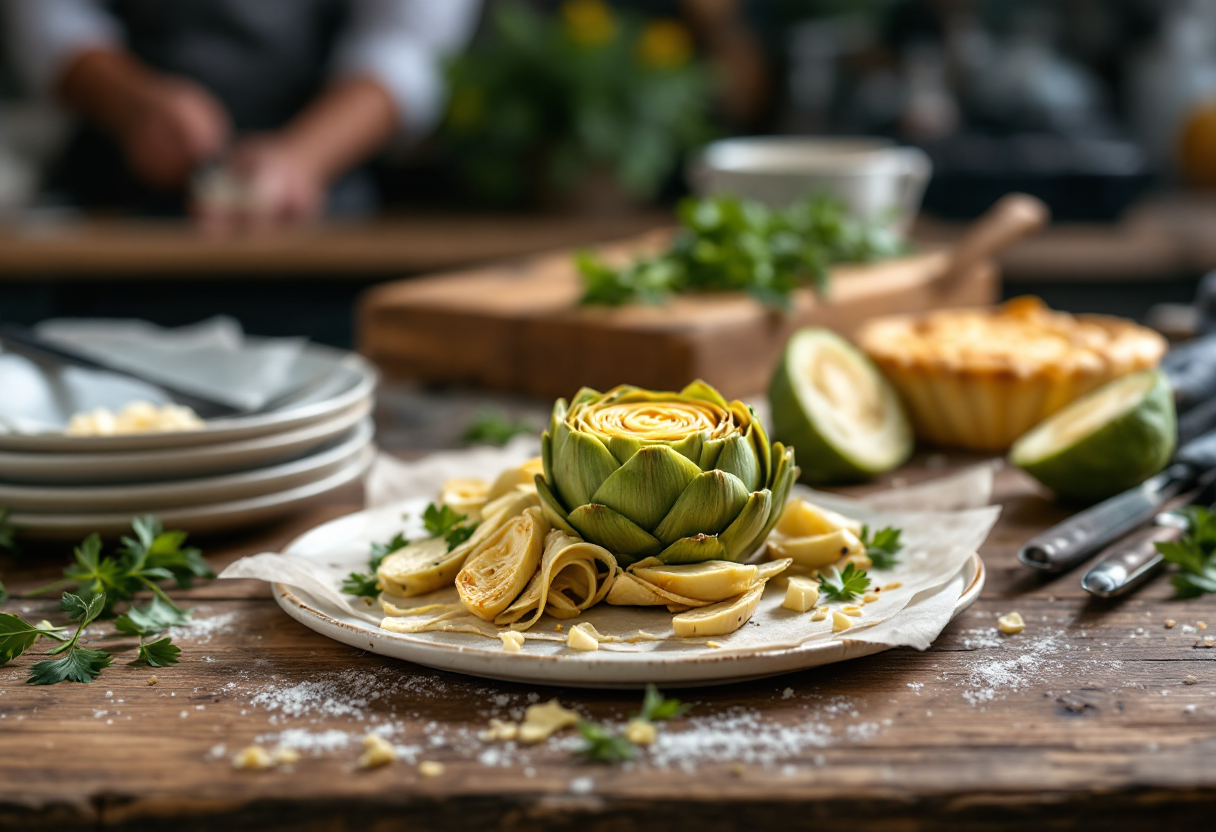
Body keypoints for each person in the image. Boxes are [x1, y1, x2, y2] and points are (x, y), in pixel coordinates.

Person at [0, 0, 481, 229]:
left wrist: (303, 157)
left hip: (320, 230)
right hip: (114, 213)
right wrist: (132, 104)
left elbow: (409, 46)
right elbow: (47, 15)